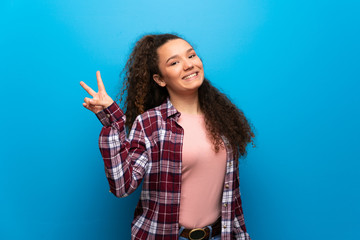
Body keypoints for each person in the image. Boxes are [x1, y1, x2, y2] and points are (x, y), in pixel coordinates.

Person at [80, 33, 254, 240]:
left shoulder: (222, 119)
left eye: (191, 56)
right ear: (160, 79)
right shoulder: (151, 123)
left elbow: (231, 196)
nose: (188, 65)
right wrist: (112, 120)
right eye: (174, 62)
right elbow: (122, 186)